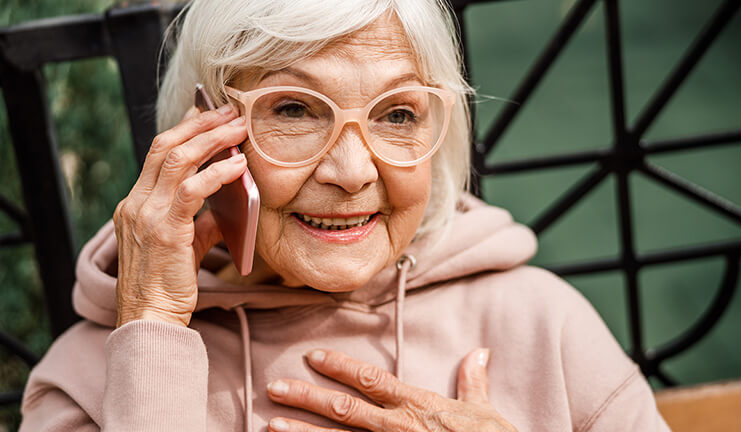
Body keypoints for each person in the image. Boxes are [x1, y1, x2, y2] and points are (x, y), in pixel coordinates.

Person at [20, 0, 671, 431]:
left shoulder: (543, 324)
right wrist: (155, 333)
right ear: (203, 129)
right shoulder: (90, 382)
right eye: (295, 110)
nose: (353, 171)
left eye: (397, 114)